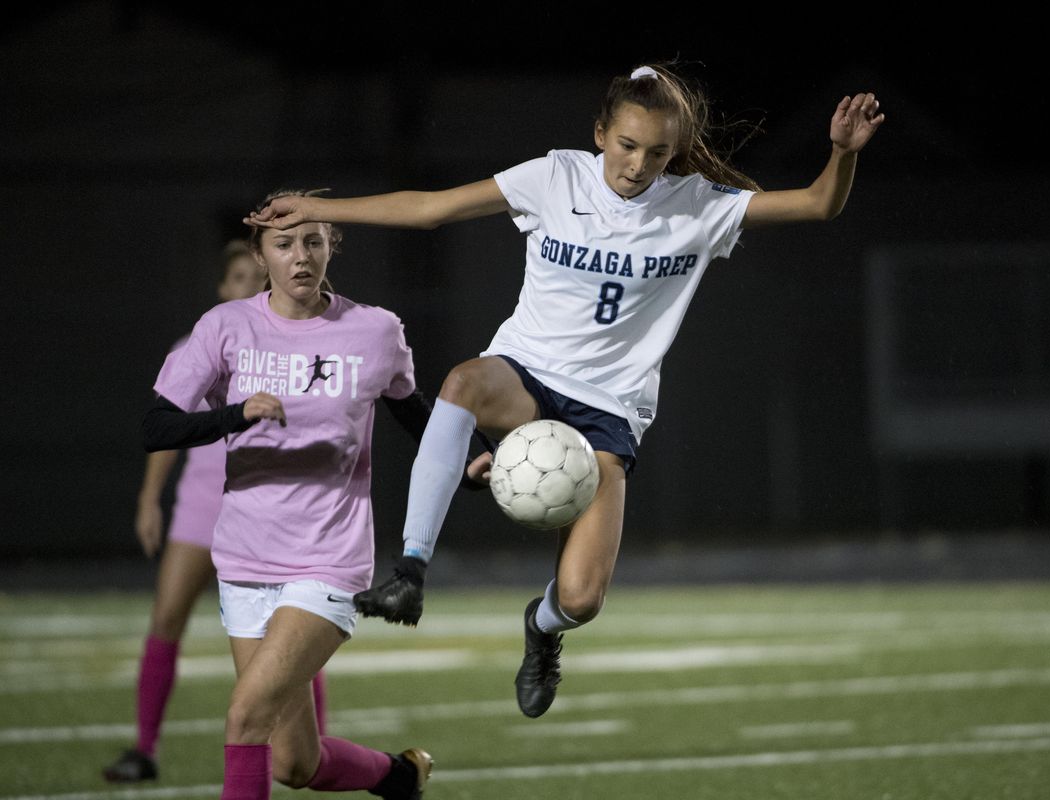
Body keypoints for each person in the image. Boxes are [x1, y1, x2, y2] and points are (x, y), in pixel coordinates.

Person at [248, 64, 884, 719]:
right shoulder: (556, 177)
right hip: (526, 374)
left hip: (609, 412)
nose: (638, 164)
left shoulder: (696, 207)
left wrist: (840, 153)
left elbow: (816, 203)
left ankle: (542, 629)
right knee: (464, 379)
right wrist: (316, 206)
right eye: (627, 145)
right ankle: (410, 571)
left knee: (581, 598)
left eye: (657, 152)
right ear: (601, 133)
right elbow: (431, 209)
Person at [145, 192, 443, 799]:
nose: (300, 256)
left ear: (333, 243)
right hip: (245, 558)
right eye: (284, 245)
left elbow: (414, 414)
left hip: (326, 559)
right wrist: (235, 415)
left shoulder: (374, 330)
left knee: (244, 716)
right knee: (292, 763)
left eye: (313, 241)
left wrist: (471, 456)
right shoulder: (224, 327)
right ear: (261, 254)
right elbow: (157, 428)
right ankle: (398, 775)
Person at [106, 242, 335, 783]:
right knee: (166, 620)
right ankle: (144, 748)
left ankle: (313, 750)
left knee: (292, 637)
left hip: (263, 511)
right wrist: (148, 499)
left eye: (252, 278)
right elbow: (166, 429)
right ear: (221, 288)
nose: (246, 286)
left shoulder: (289, 345)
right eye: (237, 276)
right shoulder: (201, 342)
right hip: (201, 506)